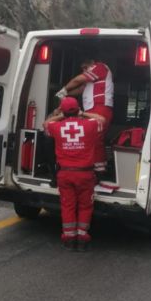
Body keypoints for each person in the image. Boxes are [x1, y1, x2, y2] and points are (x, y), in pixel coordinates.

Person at [44, 97, 107, 252]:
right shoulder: (90, 125)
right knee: (85, 206)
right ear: (78, 109)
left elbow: (46, 123)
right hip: (85, 175)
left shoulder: (57, 127)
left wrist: (61, 115)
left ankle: (69, 238)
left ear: (63, 111)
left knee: (68, 206)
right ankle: (82, 237)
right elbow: (102, 119)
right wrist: (83, 114)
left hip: (65, 175)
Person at [55, 58, 113, 173]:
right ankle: (95, 168)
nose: (83, 71)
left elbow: (78, 80)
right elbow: (81, 88)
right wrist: (65, 95)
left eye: (85, 68)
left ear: (91, 63)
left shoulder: (100, 67)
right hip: (94, 109)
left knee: (95, 139)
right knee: (92, 139)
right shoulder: (93, 77)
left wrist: (64, 90)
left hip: (100, 107)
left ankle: (99, 171)